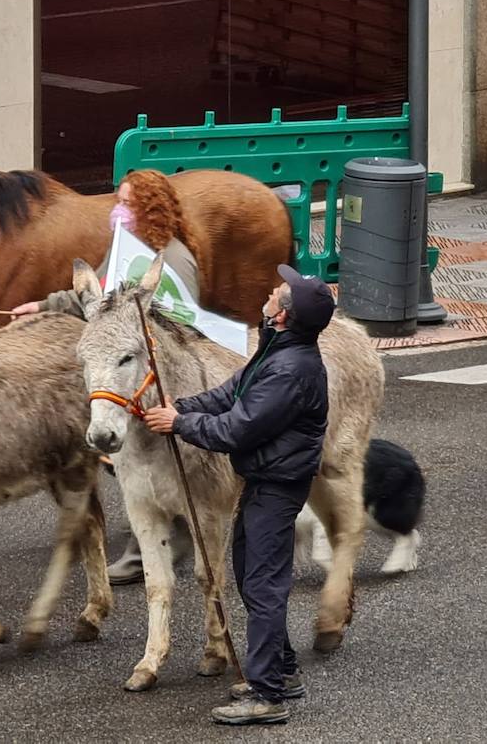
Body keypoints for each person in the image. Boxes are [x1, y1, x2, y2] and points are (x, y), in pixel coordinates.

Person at [143, 265, 335, 726]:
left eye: (277, 293)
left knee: (264, 587)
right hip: (264, 480)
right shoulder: (278, 349)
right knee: (253, 576)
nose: (269, 292)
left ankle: (267, 695)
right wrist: (180, 407)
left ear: (284, 315)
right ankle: (282, 671)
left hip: (277, 485)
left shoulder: (290, 369)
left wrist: (179, 425)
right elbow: (230, 394)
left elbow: (237, 427)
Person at [11, 169, 200, 584]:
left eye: (127, 203)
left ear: (149, 208)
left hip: (153, 381)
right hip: (126, 378)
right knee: (127, 456)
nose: (118, 210)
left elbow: (177, 325)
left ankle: (157, 545)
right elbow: (96, 295)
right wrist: (43, 307)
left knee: (146, 461)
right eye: (119, 200)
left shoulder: (174, 261)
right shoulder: (126, 250)